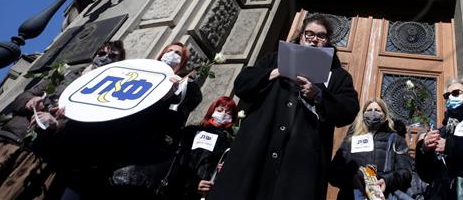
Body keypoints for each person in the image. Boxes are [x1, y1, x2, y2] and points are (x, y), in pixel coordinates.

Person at [210, 14, 360, 200]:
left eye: (321, 36)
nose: (314, 40)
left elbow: (349, 109)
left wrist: (318, 94)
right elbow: (242, 85)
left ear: (327, 41)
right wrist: (276, 72)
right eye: (310, 34)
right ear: (301, 36)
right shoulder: (274, 59)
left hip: (301, 162)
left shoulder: (338, 75)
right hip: (258, 149)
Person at [56, 40, 202, 199]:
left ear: (183, 62)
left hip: (130, 162)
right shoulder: (135, 73)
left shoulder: (187, 87)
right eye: (168, 50)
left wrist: (167, 98)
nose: (171, 55)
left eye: (177, 54)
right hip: (97, 150)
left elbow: (172, 123)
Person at [0, 40, 126, 199]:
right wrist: (29, 102)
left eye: (112, 56)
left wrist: (57, 124)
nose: (105, 58)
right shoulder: (64, 74)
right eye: (102, 53)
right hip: (8, 141)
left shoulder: (108, 97)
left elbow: (90, 138)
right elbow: (22, 97)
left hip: (38, 159)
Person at [416, 78, 463, 200]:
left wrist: (451, 146)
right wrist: (425, 149)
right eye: (447, 95)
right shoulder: (443, 129)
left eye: (455, 93)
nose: (450, 97)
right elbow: (427, 175)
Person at [329, 98, 412, 199]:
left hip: (382, 196)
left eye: (377, 110)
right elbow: (334, 173)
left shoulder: (396, 139)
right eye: (369, 110)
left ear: (385, 115)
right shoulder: (351, 139)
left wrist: (386, 180)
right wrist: (354, 178)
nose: (373, 113)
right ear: (363, 114)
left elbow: (405, 173)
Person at [168, 96, 237, 200]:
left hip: (204, 195)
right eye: (220, 110)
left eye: (228, 113)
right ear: (212, 110)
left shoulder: (228, 145)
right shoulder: (191, 132)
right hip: (178, 189)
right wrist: (193, 183)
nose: (223, 114)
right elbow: (178, 160)